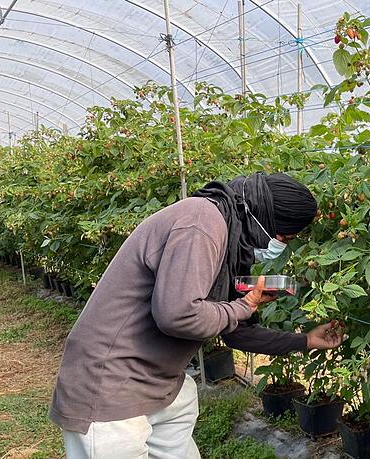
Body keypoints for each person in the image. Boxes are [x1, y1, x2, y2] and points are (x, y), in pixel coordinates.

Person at [50, 172, 343, 458]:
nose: (281, 245)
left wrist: (304, 341)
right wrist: (243, 306)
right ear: (263, 218)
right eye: (284, 237)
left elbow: (235, 330)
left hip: (160, 386)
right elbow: (177, 315)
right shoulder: (201, 223)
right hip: (110, 390)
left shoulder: (228, 235)